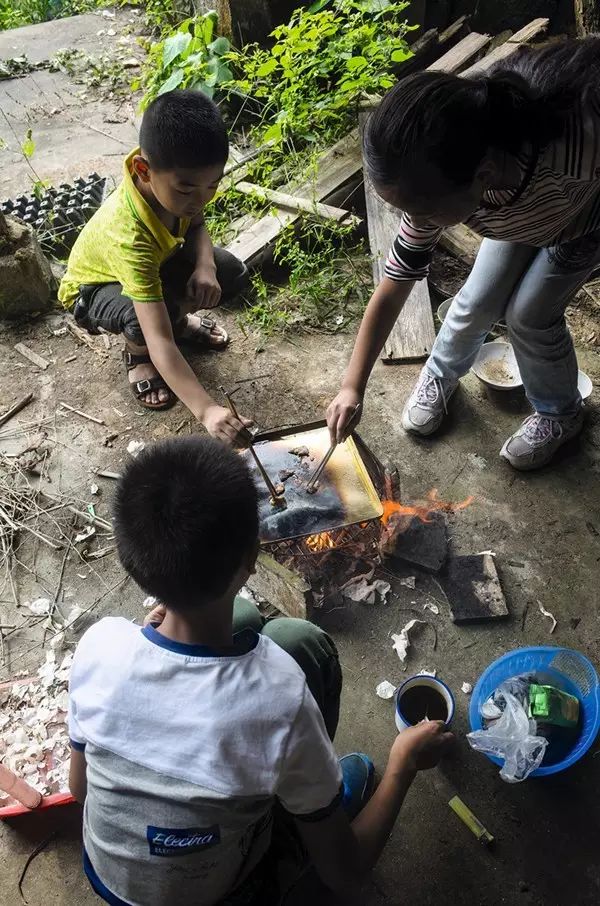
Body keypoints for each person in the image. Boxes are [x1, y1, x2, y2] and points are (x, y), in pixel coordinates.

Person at [68, 436, 453, 906]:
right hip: (225, 894)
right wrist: (403, 765)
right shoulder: (279, 693)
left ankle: (300, 796)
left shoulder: (100, 646)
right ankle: (305, 817)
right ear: (253, 557)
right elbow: (347, 874)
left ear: (134, 564)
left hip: (112, 883)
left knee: (246, 619)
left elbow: (80, 789)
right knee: (301, 643)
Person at [327, 38, 600, 471]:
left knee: (529, 315)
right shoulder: (455, 174)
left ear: (482, 175)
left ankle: (560, 412)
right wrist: (351, 387)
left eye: (423, 211)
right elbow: (394, 286)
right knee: (477, 300)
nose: (416, 222)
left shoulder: (578, 143)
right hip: (512, 214)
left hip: (582, 225)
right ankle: (439, 374)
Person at [58, 90, 251, 447]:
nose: (200, 199)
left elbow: (196, 223)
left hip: (154, 265)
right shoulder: (129, 237)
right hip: (93, 291)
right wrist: (207, 411)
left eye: (212, 185)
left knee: (229, 272)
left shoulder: (178, 187)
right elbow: (159, 338)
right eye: (187, 190)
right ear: (143, 171)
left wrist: (205, 266)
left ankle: (177, 319)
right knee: (143, 322)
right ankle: (137, 355)